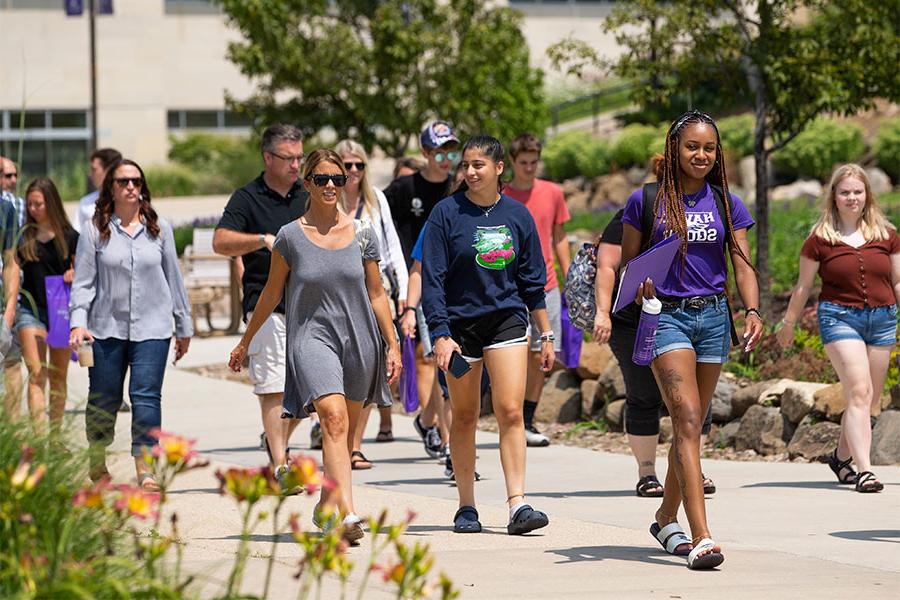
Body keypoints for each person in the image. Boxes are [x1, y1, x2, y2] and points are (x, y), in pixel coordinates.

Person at [228, 149, 401, 543]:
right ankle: (349, 513)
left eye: (337, 179)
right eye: (321, 179)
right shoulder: (289, 237)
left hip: (360, 340)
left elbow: (377, 295)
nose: (329, 186)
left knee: (344, 428)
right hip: (311, 338)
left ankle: (327, 509)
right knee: (333, 418)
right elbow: (271, 294)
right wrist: (245, 341)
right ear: (306, 183)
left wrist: (392, 344)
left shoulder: (362, 233)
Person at [619, 110, 762, 569]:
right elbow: (628, 266)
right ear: (673, 150)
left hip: (714, 317)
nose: (700, 155)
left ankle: (665, 518)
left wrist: (753, 309)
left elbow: (741, 262)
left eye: (709, 148)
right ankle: (702, 536)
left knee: (691, 429)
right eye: (691, 147)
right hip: (668, 319)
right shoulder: (647, 201)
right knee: (686, 415)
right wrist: (639, 286)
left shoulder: (726, 203)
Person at [423, 134, 553, 535]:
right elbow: (433, 280)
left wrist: (545, 334)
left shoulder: (517, 215)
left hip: (506, 320)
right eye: (467, 165)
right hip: (460, 327)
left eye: (479, 165)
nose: (470, 171)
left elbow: (533, 281)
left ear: (499, 169)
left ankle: (518, 504)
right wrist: (441, 334)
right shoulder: (446, 214)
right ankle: (466, 506)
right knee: (463, 416)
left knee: (511, 411)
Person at [69, 159, 193, 490]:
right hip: (105, 329)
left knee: (147, 396)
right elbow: (83, 282)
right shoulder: (96, 230)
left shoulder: (159, 228)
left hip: (153, 328)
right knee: (104, 398)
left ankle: (146, 469)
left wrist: (184, 326)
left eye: (137, 182)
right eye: (124, 182)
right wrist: (77, 323)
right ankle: (97, 457)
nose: (131, 187)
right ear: (111, 187)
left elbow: (174, 279)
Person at [776, 164, 898, 493]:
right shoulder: (819, 239)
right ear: (834, 196)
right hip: (839, 318)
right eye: (845, 192)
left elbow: (897, 281)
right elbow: (803, 288)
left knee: (868, 399)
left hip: (884, 319)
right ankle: (866, 470)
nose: (852, 197)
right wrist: (788, 324)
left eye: (857, 191)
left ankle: (841, 458)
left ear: (867, 195)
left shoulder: (886, 234)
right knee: (858, 392)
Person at [594, 209, 716, 498]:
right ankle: (647, 473)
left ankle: (691, 469)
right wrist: (602, 313)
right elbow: (607, 265)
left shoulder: (704, 212)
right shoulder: (636, 209)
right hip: (631, 319)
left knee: (697, 398)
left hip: (685, 315)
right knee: (644, 392)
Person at [213, 124, 309, 473]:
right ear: (268, 157)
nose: (296, 165)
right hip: (266, 306)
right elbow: (221, 241)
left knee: (314, 390)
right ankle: (281, 466)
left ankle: (275, 440)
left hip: (311, 305)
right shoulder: (246, 197)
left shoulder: (308, 192)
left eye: (300, 157)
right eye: (288, 158)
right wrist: (260, 240)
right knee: (273, 387)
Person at [385, 121, 460, 459]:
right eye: (440, 151)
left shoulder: (456, 188)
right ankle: (447, 444)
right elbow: (379, 223)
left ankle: (429, 422)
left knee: (436, 360)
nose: (446, 159)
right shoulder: (403, 188)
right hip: (412, 280)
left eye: (451, 151)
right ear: (427, 152)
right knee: (432, 359)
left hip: (449, 286)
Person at [334, 139, 409, 465]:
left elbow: (392, 248)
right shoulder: (326, 199)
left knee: (365, 371)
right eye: (346, 165)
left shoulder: (375, 199)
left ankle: (352, 445)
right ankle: (325, 431)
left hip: (373, 296)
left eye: (358, 165)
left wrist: (405, 295)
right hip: (335, 298)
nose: (352, 171)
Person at [502, 133, 571, 447]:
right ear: (512, 163)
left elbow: (559, 237)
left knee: (543, 355)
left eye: (534, 162)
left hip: (548, 285)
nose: (529, 168)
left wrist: (570, 278)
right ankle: (513, 417)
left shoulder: (553, 192)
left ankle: (527, 419)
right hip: (510, 288)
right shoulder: (501, 195)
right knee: (516, 352)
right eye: (523, 163)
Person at [9, 178, 78, 435]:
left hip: (60, 311)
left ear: (51, 203)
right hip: (31, 310)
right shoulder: (24, 237)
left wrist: (74, 271)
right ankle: (39, 440)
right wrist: (10, 309)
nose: (34, 209)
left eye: (39, 204)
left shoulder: (70, 237)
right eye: (30, 205)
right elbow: (14, 271)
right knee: (37, 374)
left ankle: (55, 435)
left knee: (58, 376)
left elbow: (83, 271)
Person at [1, 156, 26, 412]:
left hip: (7, 298)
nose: (11, 180)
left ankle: (12, 431)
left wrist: (9, 309)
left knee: (11, 361)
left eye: (12, 175)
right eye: (6, 175)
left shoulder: (10, 208)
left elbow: (12, 260)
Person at [73, 148, 123, 234]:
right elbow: (77, 235)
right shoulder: (86, 203)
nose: (90, 174)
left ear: (109, 171)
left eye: (94, 169)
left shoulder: (133, 201)